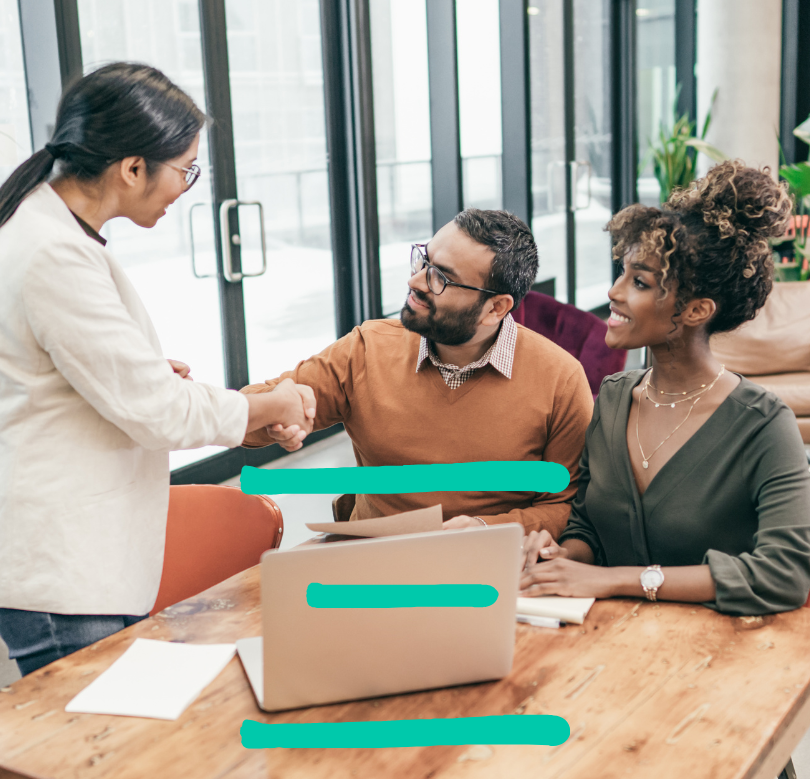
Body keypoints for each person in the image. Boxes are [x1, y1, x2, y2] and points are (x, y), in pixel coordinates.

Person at [0, 63, 316, 675]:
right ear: (133, 168)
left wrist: (134, 372)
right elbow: (158, 411)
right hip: (64, 571)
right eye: (185, 170)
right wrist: (270, 405)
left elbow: (44, 374)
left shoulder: (45, 228)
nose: (186, 187)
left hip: (79, 556)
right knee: (97, 757)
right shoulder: (52, 254)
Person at [521, 161, 810, 616]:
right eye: (621, 272)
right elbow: (589, 529)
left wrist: (616, 580)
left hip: (718, 659)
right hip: (604, 645)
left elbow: (783, 574)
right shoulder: (614, 398)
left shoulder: (763, 425)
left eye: (640, 282)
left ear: (696, 311)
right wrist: (562, 557)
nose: (614, 292)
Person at [241, 209, 593, 535]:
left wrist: (488, 528)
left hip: (486, 568)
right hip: (372, 563)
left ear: (495, 308)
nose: (417, 281)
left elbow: (567, 505)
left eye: (441, 278)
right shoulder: (367, 349)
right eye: (423, 260)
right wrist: (273, 410)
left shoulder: (560, 379)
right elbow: (245, 419)